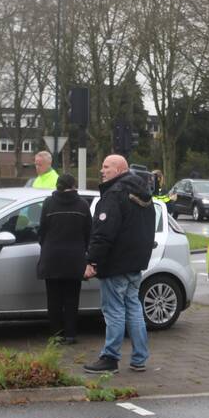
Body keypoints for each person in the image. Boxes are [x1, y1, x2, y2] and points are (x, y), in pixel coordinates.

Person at [82, 154, 155, 373]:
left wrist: (92, 261)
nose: (102, 171)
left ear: (120, 170)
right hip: (135, 263)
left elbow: (103, 233)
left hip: (115, 264)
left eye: (107, 167)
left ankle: (110, 358)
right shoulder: (144, 194)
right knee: (133, 308)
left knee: (113, 310)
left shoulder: (114, 195)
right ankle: (140, 358)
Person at [36, 173, 91, 345]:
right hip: (75, 258)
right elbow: (89, 232)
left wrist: (46, 246)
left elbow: (42, 231)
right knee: (72, 298)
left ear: (57, 185)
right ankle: (71, 334)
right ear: (74, 185)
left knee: (53, 298)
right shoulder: (82, 205)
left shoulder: (48, 203)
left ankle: (56, 334)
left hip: (52, 257)